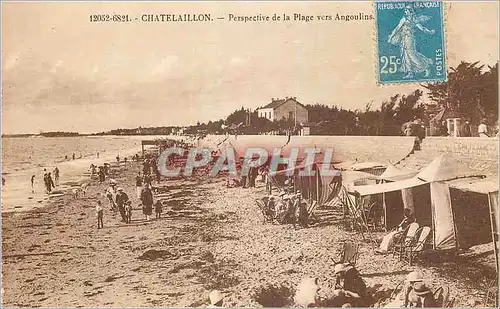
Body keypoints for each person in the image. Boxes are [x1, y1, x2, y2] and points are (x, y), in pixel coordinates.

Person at [388, 5, 435, 79]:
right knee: (406, 55)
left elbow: (422, 28)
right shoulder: (404, 19)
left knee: (411, 54)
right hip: (404, 39)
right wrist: (391, 36)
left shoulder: (413, 20)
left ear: (410, 11)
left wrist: (429, 32)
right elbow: (397, 28)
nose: (405, 12)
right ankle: (410, 73)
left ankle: (426, 67)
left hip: (409, 39)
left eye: (406, 10)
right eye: (405, 10)